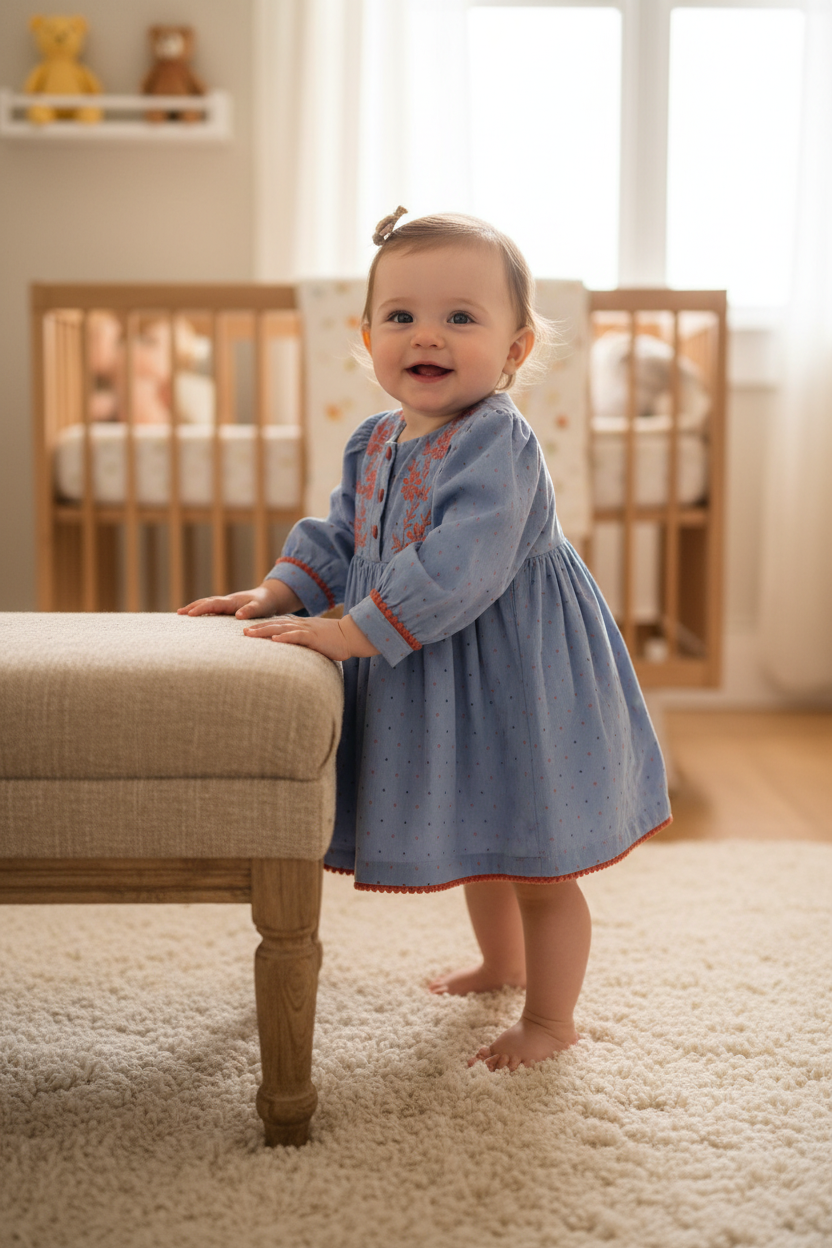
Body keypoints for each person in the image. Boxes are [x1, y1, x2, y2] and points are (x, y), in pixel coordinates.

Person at [179, 209, 671, 1070]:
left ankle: (551, 1020)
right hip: (445, 668)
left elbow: (461, 562)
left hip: (520, 669)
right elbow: (341, 535)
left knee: (539, 859)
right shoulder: (373, 440)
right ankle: (501, 965)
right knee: (486, 830)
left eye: (460, 317)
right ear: (368, 336)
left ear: (515, 349)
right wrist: (278, 590)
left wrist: (349, 630)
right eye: (401, 316)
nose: (427, 336)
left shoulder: (497, 439)